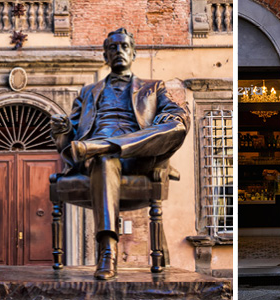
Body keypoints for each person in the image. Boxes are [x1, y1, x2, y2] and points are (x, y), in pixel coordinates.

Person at [49, 28, 190, 280]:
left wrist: (171, 119)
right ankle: (108, 251)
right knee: (104, 159)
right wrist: (61, 130)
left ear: (133, 52)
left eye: (124, 46)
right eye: (113, 48)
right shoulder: (87, 92)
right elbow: (68, 140)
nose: (119, 51)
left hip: (139, 158)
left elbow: (175, 118)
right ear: (105, 55)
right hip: (96, 159)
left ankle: (103, 145)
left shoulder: (153, 87)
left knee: (178, 125)